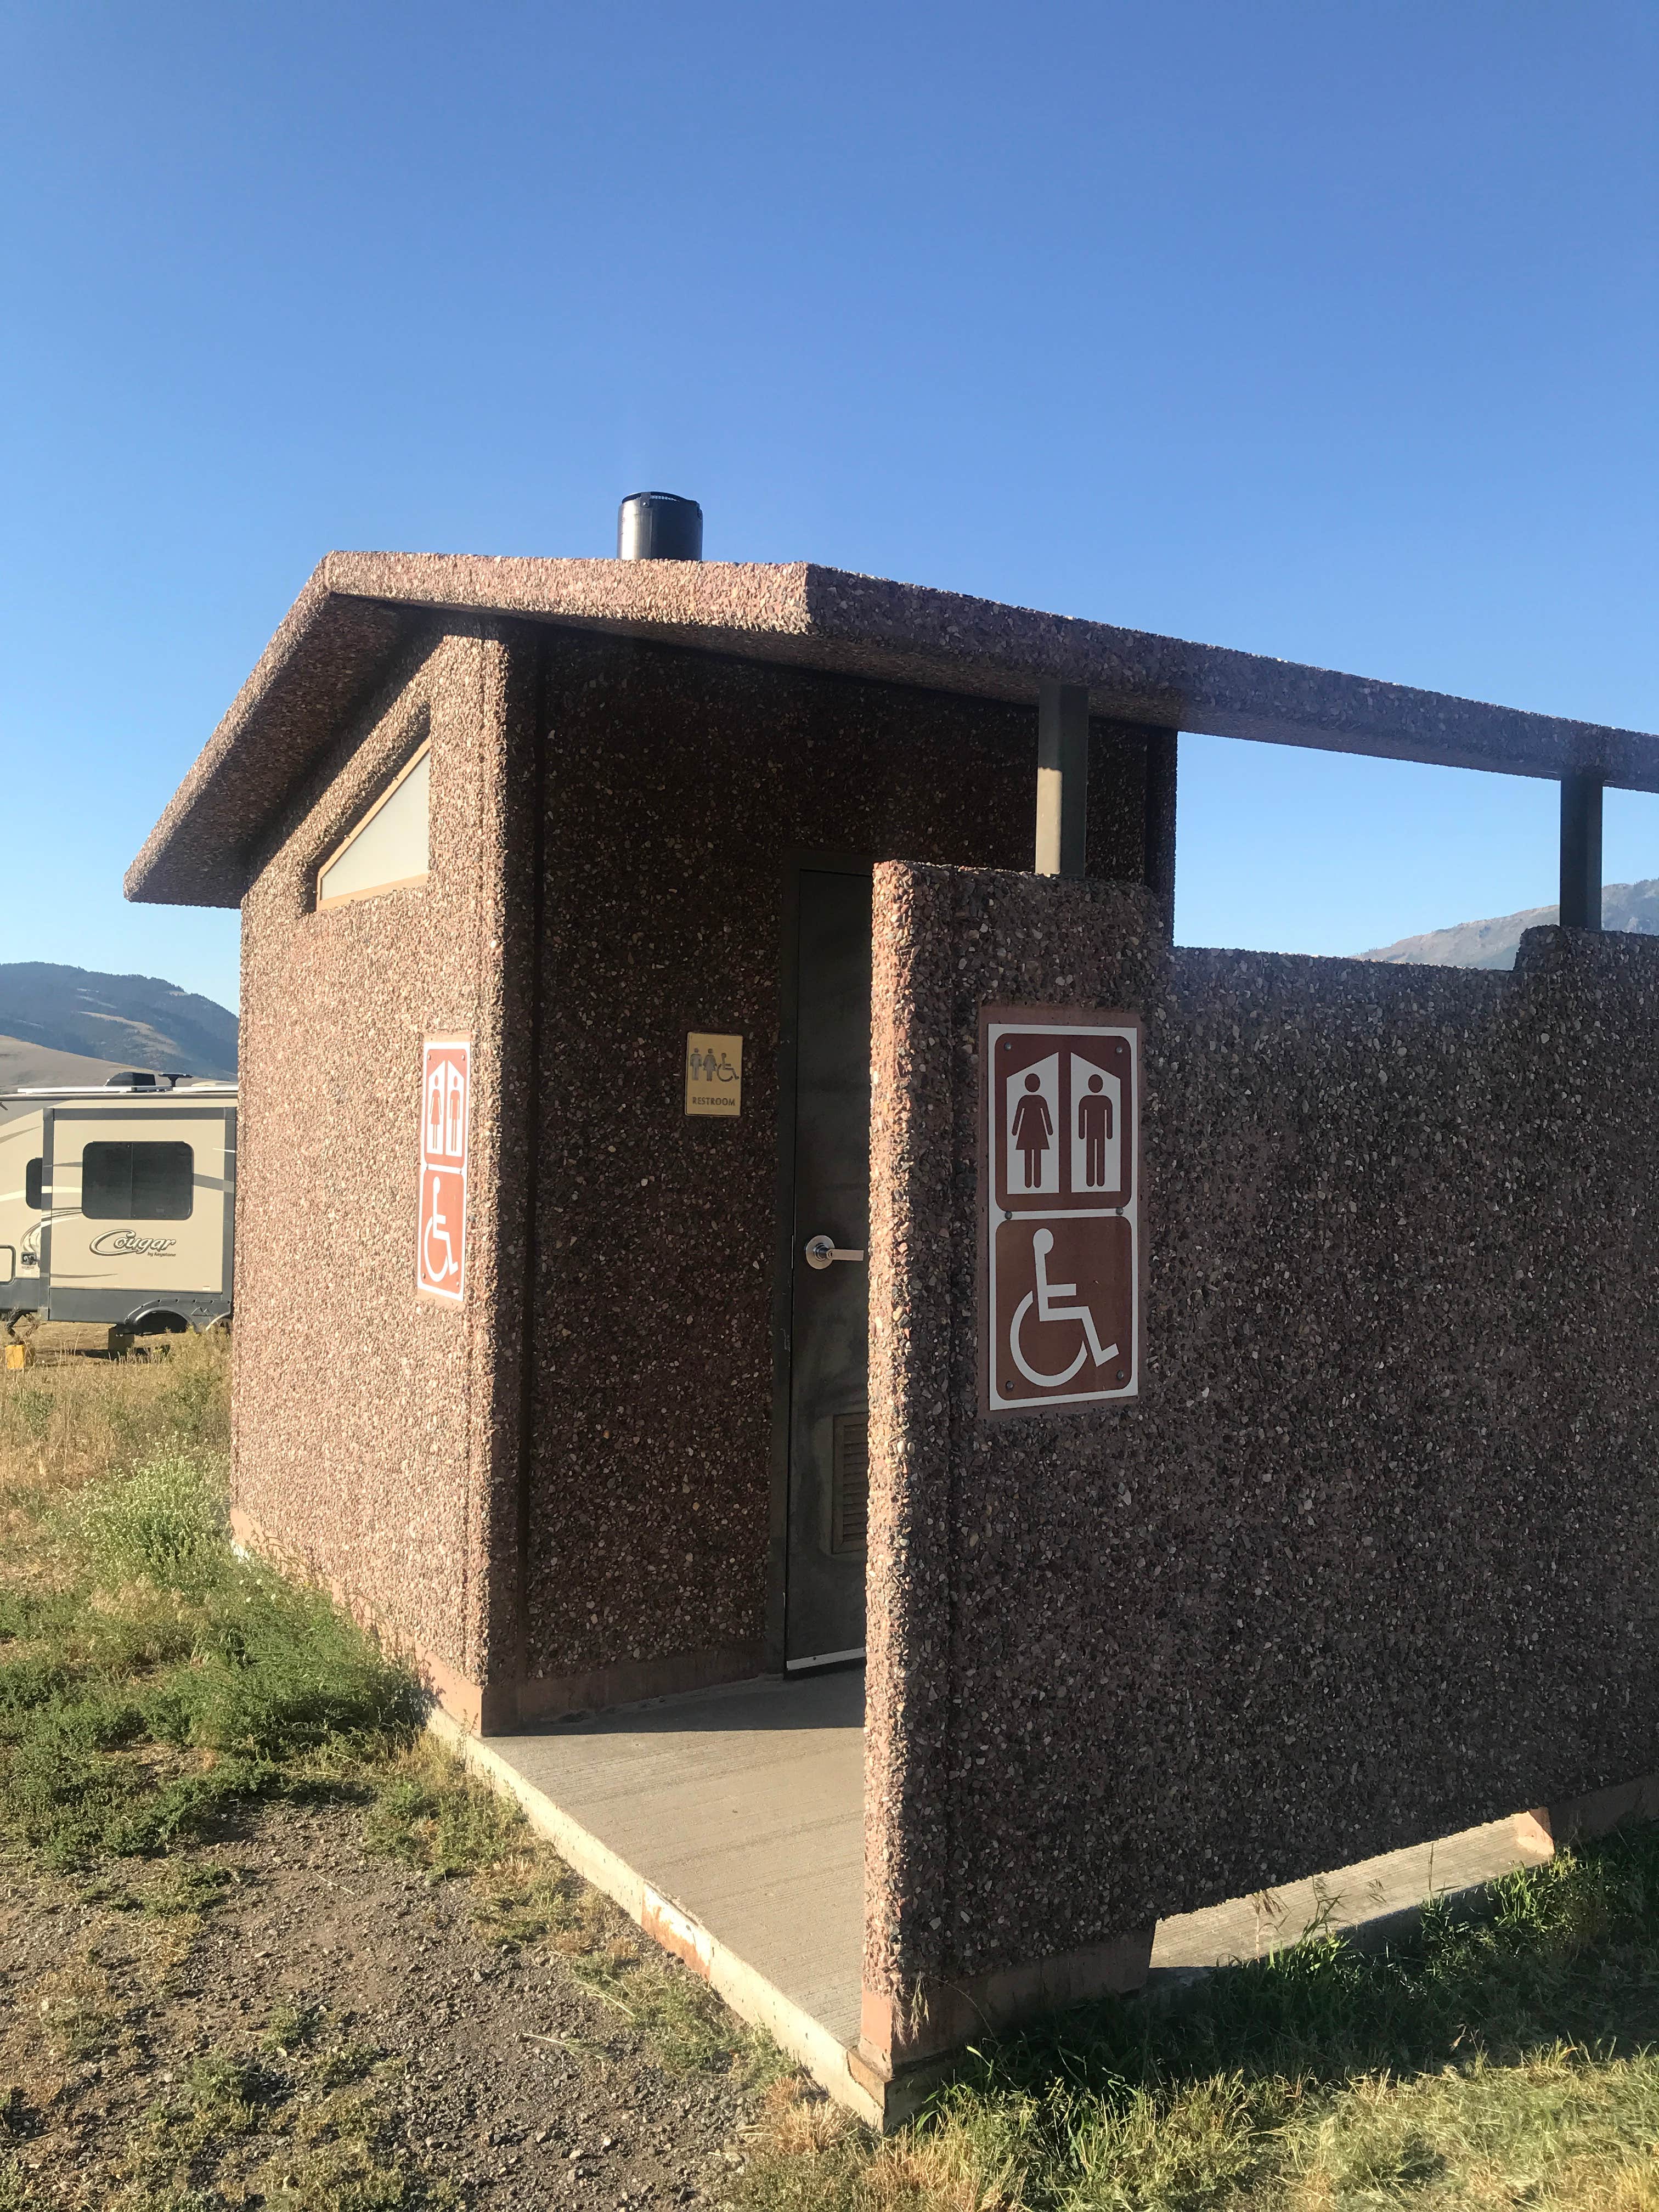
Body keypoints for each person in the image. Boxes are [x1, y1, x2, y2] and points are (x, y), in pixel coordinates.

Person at [1011, 1071, 1053, 1189]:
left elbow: (1046, 1116)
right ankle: (1031, 1182)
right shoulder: (1036, 1100)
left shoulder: (1032, 1100)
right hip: (1034, 1132)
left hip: (1030, 1132)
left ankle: (1033, 1182)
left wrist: (1015, 1131)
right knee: (1032, 1155)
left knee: (1031, 1155)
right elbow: (1019, 1115)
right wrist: (1049, 1130)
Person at [1077, 1071, 1114, 1188]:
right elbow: (1082, 1118)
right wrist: (1081, 1133)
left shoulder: (1088, 1101)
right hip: (1095, 1133)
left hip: (1095, 1133)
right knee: (1095, 1154)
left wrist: (1109, 1133)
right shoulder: (1090, 1101)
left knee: (1096, 1154)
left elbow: (1109, 1118)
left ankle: (1097, 1180)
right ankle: (1094, 1180)